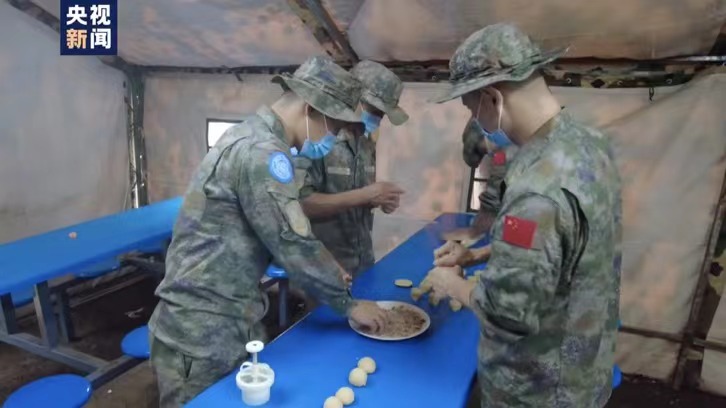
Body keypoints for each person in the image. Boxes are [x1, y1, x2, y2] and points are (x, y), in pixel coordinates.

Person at [148, 55, 387, 407]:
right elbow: (291, 239)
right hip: (201, 331)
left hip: (221, 317)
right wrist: (348, 305)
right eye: (333, 128)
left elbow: (265, 230)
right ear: (311, 109)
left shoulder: (249, 135)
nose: (332, 138)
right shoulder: (263, 153)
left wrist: (322, 266)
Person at [428, 23, 622, 407]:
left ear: (492, 99)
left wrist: (451, 284)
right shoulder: (589, 144)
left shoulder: (536, 190)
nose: (476, 121)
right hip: (585, 366)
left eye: (471, 109)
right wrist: (478, 254)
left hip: (540, 388)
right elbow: (565, 247)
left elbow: (508, 314)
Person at [296, 60, 408, 278]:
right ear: (353, 98)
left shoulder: (366, 144)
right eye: (375, 110)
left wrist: (379, 199)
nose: (378, 119)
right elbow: (300, 205)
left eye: (382, 114)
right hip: (324, 267)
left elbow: (358, 195)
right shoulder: (317, 138)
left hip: (362, 261)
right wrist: (366, 194)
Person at [439, 119, 520, 263]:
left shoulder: (505, 152)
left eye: (485, 151)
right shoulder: (510, 142)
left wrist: (474, 232)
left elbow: (494, 195)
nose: (490, 155)